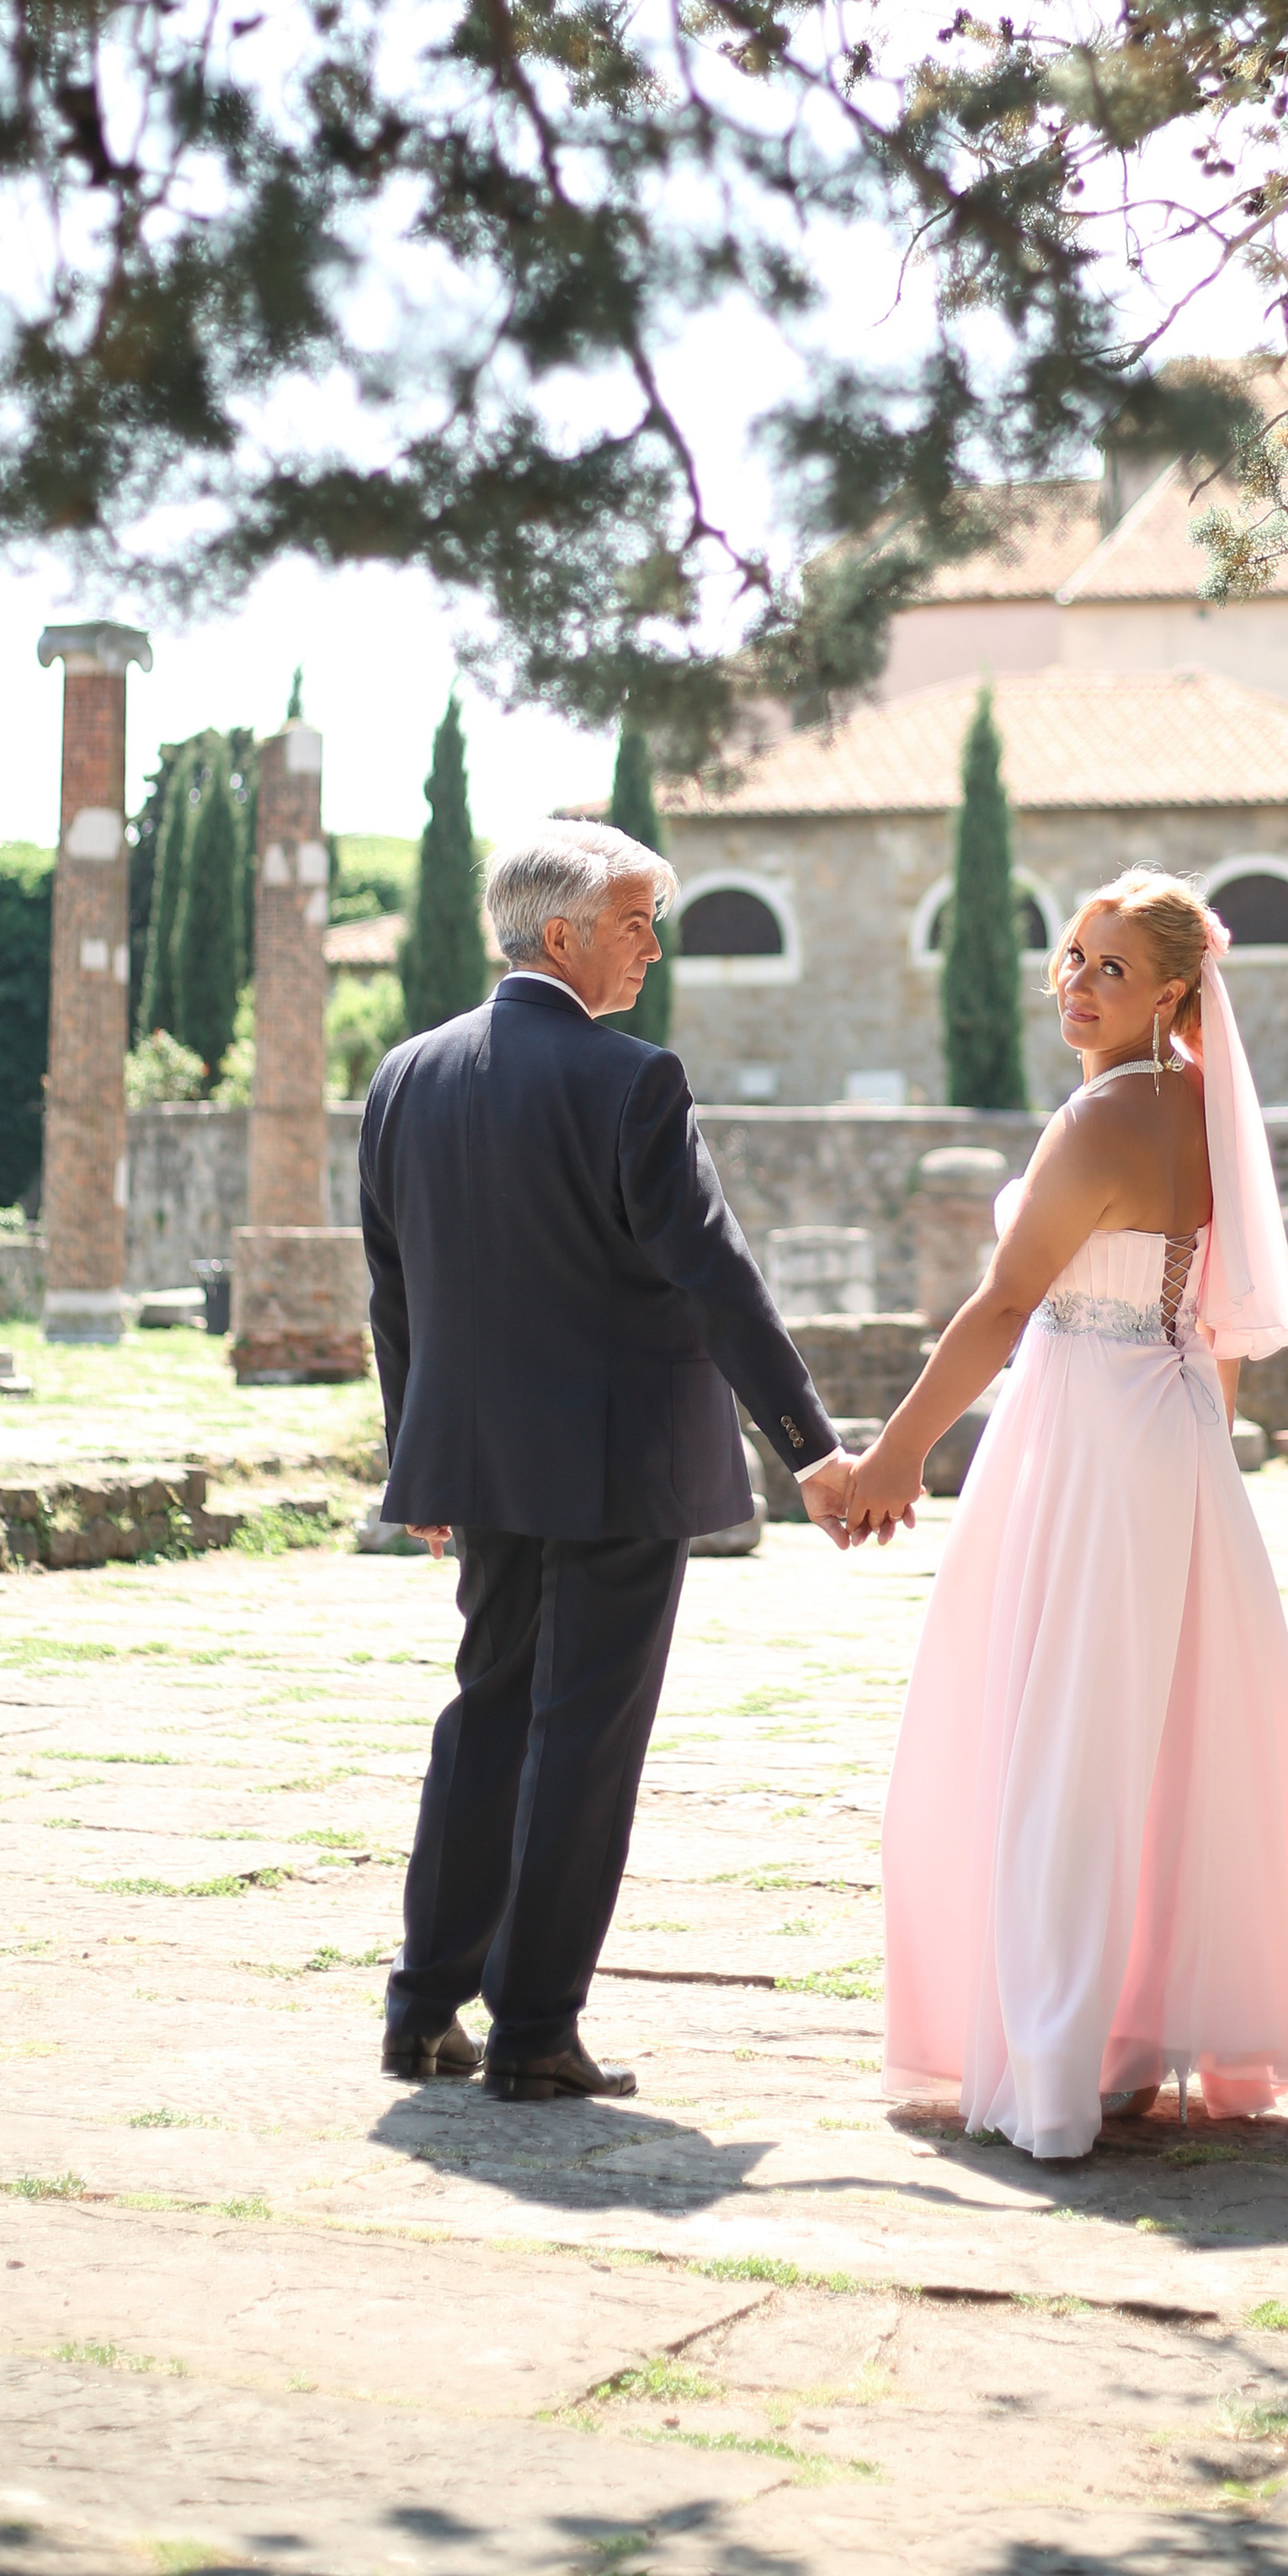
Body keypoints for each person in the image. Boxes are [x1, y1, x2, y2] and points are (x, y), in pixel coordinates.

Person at [846, 868, 1288, 2159]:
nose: (1077, 987)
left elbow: (997, 1307)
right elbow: (1215, 1317)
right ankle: (1133, 2046)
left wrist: (892, 1459)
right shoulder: (1207, 1111)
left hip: (1086, 1431)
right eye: (1074, 960)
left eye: (1109, 969)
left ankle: (1060, 2055)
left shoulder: (1099, 1121)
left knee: (1062, 1738)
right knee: (1156, 1731)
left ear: (1172, 990)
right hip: (1169, 1425)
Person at [363, 821, 860, 2099]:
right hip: (613, 1465)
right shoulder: (630, 1081)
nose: (654, 944)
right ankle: (533, 2031)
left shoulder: (404, 1076)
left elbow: (395, 1292)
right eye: (637, 920)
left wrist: (414, 1460)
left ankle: (423, 2010)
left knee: (486, 1718)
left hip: (476, 1464)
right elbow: (718, 1280)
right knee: (584, 1740)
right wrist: (808, 1447)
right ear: (565, 934)